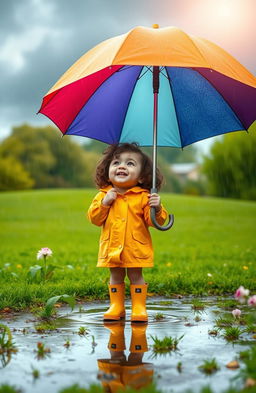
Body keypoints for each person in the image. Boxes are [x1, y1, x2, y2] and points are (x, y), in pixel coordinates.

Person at [87, 143, 167, 322]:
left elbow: (155, 221)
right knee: (115, 275)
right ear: (107, 169)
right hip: (112, 246)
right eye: (116, 163)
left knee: (135, 275)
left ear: (141, 177)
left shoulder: (144, 197)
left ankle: (139, 307)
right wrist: (105, 203)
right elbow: (94, 219)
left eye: (130, 164)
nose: (122, 166)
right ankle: (117, 306)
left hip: (134, 247)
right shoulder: (103, 195)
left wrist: (157, 207)